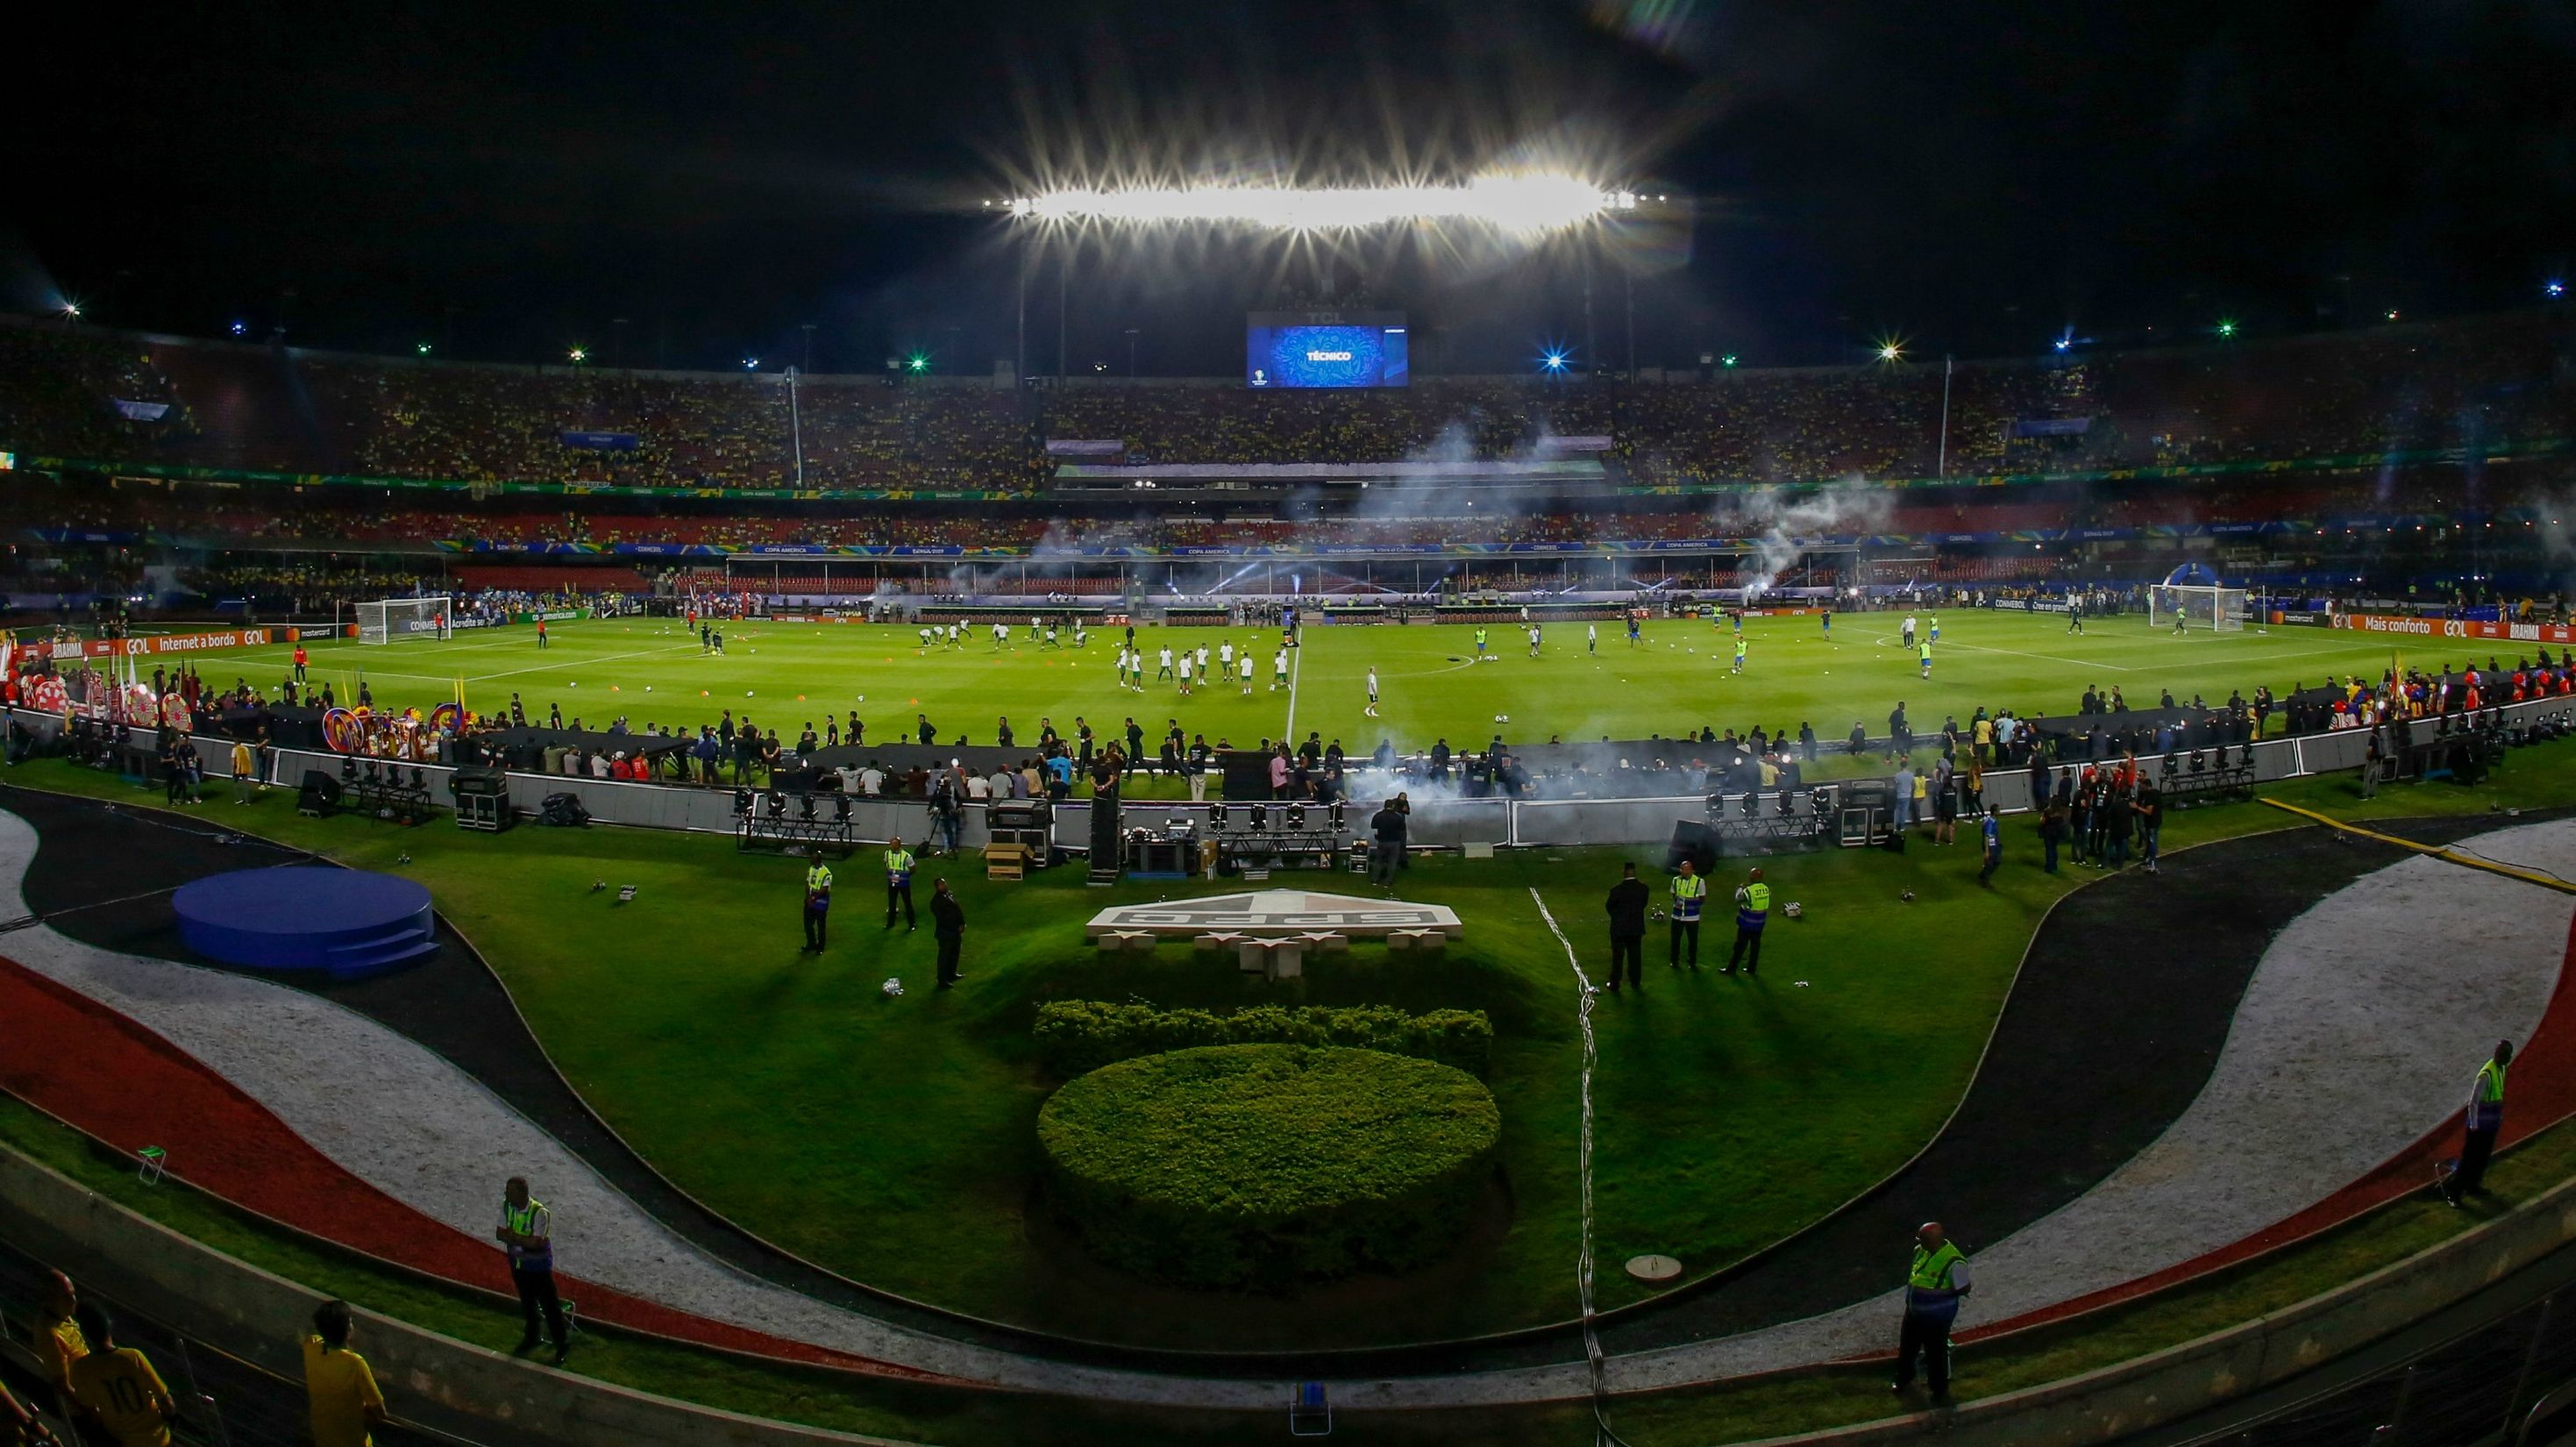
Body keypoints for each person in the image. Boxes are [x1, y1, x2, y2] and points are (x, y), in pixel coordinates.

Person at [67, 1306, 174, 1447]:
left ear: (86, 1333)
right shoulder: (133, 1357)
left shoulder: (82, 1368)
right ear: (109, 1325)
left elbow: (90, 1412)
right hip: (158, 1440)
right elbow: (166, 1402)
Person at [1894, 1222, 1971, 1404]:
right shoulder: (1921, 1251)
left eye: (1921, 1239)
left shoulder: (1954, 1261)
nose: (1918, 1242)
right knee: (1907, 1348)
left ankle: (1939, 1390)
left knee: (1935, 1353)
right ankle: (1903, 1379)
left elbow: (1964, 1288)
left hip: (1937, 1318)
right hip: (1914, 1312)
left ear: (1930, 1241)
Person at [495, 1177, 569, 1362]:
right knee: (528, 1304)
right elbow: (499, 1234)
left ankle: (562, 1343)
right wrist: (521, 1239)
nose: (506, 1195)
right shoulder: (506, 1206)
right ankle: (532, 1337)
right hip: (519, 1265)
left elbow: (536, 1243)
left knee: (550, 1306)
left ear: (521, 1194)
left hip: (538, 1268)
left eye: (510, 1192)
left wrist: (513, 1237)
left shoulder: (539, 1213)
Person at [302, 1301, 387, 1447]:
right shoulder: (355, 1364)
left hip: (323, 1438)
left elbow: (317, 1340)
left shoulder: (310, 1346)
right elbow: (379, 1411)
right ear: (348, 1329)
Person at [2444, 1039, 2515, 1206]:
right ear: (2498, 1054)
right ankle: (2454, 1193)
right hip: (2478, 1128)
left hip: (2490, 1125)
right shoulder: (2486, 1074)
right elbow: (2473, 1102)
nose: (2506, 1058)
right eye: (2504, 1054)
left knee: (2482, 1159)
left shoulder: (2502, 1069)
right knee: (2469, 1161)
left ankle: (2473, 1185)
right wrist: (2474, 1126)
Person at [1604, 863, 1648, 992]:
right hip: (1636, 927)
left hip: (1619, 928)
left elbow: (1609, 907)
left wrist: (1618, 917)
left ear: (1624, 872)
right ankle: (1635, 981)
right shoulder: (1643, 889)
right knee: (1635, 955)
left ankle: (1615, 983)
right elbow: (1643, 904)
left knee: (1618, 957)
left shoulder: (1617, 890)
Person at [1726, 866, 1768, 974]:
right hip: (1760, 923)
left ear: (1753, 877)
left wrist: (1740, 888)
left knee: (1739, 947)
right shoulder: (1765, 888)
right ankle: (1751, 969)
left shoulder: (1749, 891)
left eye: (1751, 875)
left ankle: (1731, 969)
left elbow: (1738, 899)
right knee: (1755, 947)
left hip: (1747, 923)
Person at [1668, 859, 1706, 970]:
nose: (1682, 871)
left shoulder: (1699, 882)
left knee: (1692, 941)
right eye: (1681, 869)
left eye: (1685, 869)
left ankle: (1692, 962)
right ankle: (1674, 961)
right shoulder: (1675, 880)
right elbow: (1673, 894)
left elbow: (1702, 898)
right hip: (1677, 916)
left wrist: (1692, 905)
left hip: (1692, 917)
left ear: (1691, 871)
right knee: (1675, 940)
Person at [931, 877, 966, 989]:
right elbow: (943, 919)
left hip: (955, 931)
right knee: (944, 957)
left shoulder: (949, 895)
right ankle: (942, 980)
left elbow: (957, 910)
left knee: (955, 953)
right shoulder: (936, 901)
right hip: (946, 933)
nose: (944, 885)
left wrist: (962, 923)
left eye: (944, 883)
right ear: (937, 887)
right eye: (941, 884)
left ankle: (952, 974)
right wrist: (956, 927)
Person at [1369, 797, 1406, 885]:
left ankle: (1374, 879)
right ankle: (1388, 881)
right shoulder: (1397, 816)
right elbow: (1402, 829)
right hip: (1394, 841)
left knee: (1378, 861)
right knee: (1392, 862)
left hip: (1382, 841)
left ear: (1384, 806)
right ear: (1393, 806)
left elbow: (1373, 826)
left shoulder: (1378, 815)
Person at [801, 848, 833, 952]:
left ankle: (820, 947)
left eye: (813, 857)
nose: (811, 858)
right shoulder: (811, 869)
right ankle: (811, 943)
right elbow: (807, 883)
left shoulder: (826, 873)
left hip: (820, 902)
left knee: (820, 925)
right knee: (807, 924)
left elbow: (824, 889)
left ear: (818, 859)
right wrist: (808, 897)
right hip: (810, 899)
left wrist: (813, 898)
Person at [883, 836, 917, 930]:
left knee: (907, 903)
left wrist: (904, 876)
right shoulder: (887, 854)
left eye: (895, 844)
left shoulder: (906, 856)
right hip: (892, 883)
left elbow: (913, 869)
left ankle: (912, 924)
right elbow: (887, 864)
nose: (893, 846)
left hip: (903, 884)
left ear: (899, 845)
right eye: (891, 844)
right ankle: (890, 923)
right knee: (892, 904)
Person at [1976, 805, 2002, 887]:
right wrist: (1987, 851)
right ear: (1994, 812)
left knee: (1997, 861)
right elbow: (1987, 836)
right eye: (1998, 810)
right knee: (1990, 864)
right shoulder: (1990, 823)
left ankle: (1983, 875)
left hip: (1995, 845)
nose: (2000, 812)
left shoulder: (1992, 820)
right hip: (1990, 846)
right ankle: (1985, 879)